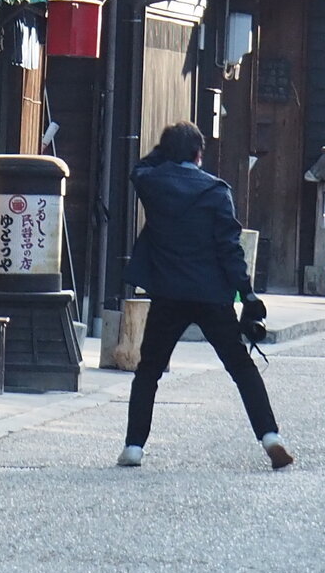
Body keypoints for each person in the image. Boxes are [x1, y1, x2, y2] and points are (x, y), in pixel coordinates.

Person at [118, 122, 293, 471]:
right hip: (212, 295)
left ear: (167, 153)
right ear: (200, 154)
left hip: (168, 294)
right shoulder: (216, 192)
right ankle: (270, 437)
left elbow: (139, 168)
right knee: (241, 368)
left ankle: (134, 447)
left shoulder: (154, 184)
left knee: (149, 371)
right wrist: (246, 292)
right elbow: (230, 248)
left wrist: (164, 153)